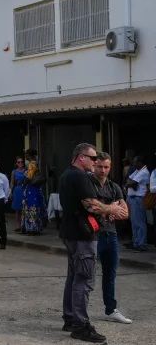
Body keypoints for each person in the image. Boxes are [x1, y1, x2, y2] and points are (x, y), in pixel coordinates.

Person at [58, 143, 126, 343]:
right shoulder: (79, 176)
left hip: (71, 232)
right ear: (81, 157)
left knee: (73, 277)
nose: (96, 162)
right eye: (93, 158)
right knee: (84, 279)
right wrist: (111, 209)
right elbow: (90, 204)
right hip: (81, 234)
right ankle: (80, 325)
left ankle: (70, 318)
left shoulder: (66, 175)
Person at [91, 152, 132, 324]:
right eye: (100, 166)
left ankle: (110, 310)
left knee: (110, 274)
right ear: (94, 166)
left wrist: (109, 212)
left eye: (106, 167)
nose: (103, 170)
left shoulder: (114, 187)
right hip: (93, 236)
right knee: (85, 275)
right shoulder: (88, 185)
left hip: (111, 235)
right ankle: (77, 313)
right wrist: (111, 209)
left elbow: (125, 213)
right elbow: (91, 207)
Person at [124, 156, 149, 252]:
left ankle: (141, 244)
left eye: (135, 162)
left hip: (138, 199)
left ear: (141, 163)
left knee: (139, 222)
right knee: (134, 222)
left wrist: (131, 184)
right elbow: (128, 179)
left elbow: (131, 183)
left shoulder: (144, 172)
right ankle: (136, 242)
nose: (133, 164)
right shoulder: (137, 171)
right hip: (131, 198)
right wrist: (131, 184)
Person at [22, 149, 44, 235]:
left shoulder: (32, 164)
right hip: (33, 189)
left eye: (26, 154)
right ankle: (33, 227)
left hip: (32, 189)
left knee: (31, 208)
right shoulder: (33, 163)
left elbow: (29, 176)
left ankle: (32, 228)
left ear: (29, 155)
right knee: (32, 208)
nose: (25, 156)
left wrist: (24, 184)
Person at [11, 156, 27, 233]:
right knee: (18, 209)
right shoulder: (14, 172)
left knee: (25, 207)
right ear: (16, 163)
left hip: (24, 189)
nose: (20, 163)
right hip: (17, 190)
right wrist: (10, 192)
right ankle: (18, 225)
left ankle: (25, 224)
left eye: (22, 162)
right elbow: (12, 182)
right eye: (19, 162)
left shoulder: (26, 171)